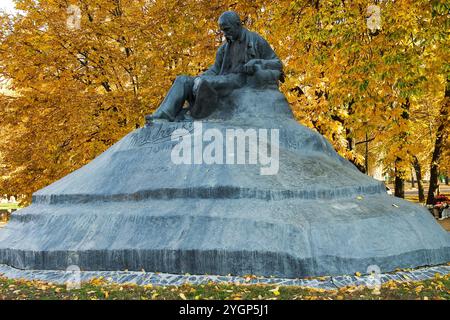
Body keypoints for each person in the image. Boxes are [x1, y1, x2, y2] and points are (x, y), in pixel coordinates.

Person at [146, 10, 283, 123]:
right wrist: (199, 78)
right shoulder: (224, 49)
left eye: (227, 29)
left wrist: (257, 62)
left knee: (206, 83)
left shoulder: (255, 40)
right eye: (222, 30)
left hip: (239, 81)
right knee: (183, 80)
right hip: (222, 78)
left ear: (237, 24)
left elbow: (277, 64)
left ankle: (195, 115)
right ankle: (163, 116)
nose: (224, 34)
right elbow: (215, 69)